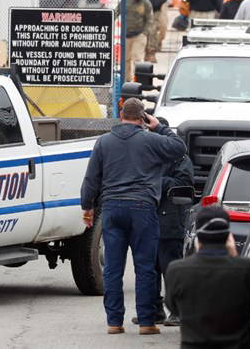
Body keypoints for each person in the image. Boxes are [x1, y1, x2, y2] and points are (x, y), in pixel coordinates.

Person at [80, 98, 187, 336]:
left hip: (113, 209)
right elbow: (180, 148)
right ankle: (147, 322)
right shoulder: (152, 139)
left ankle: (114, 322)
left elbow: (91, 179)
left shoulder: (104, 142)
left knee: (113, 268)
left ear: (120, 115)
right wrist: (159, 126)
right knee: (145, 267)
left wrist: (87, 207)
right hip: (142, 209)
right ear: (143, 118)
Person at [165, 205, 250, 349]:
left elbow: (173, 307)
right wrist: (235, 257)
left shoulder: (177, 270)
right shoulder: (246, 268)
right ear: (229, 236)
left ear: (198, 237)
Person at [154, 155, 194, 327]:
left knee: (171, 269)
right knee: (149, 270)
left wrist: (153, 181)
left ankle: (177, 311)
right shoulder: (147, 154)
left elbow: (183, 184)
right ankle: (154, 311)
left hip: (170, 222)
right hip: (150, 220)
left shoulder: (180, 158)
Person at [125, 0, 153, 78]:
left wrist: (145, 32)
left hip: (139, 34)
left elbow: (149, 19)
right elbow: (117, 11)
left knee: (137, 58)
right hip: (127, 34)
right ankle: (127, 80)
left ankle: (138, 80)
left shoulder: (146, 3)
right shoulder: (127, 1)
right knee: (126, 59)